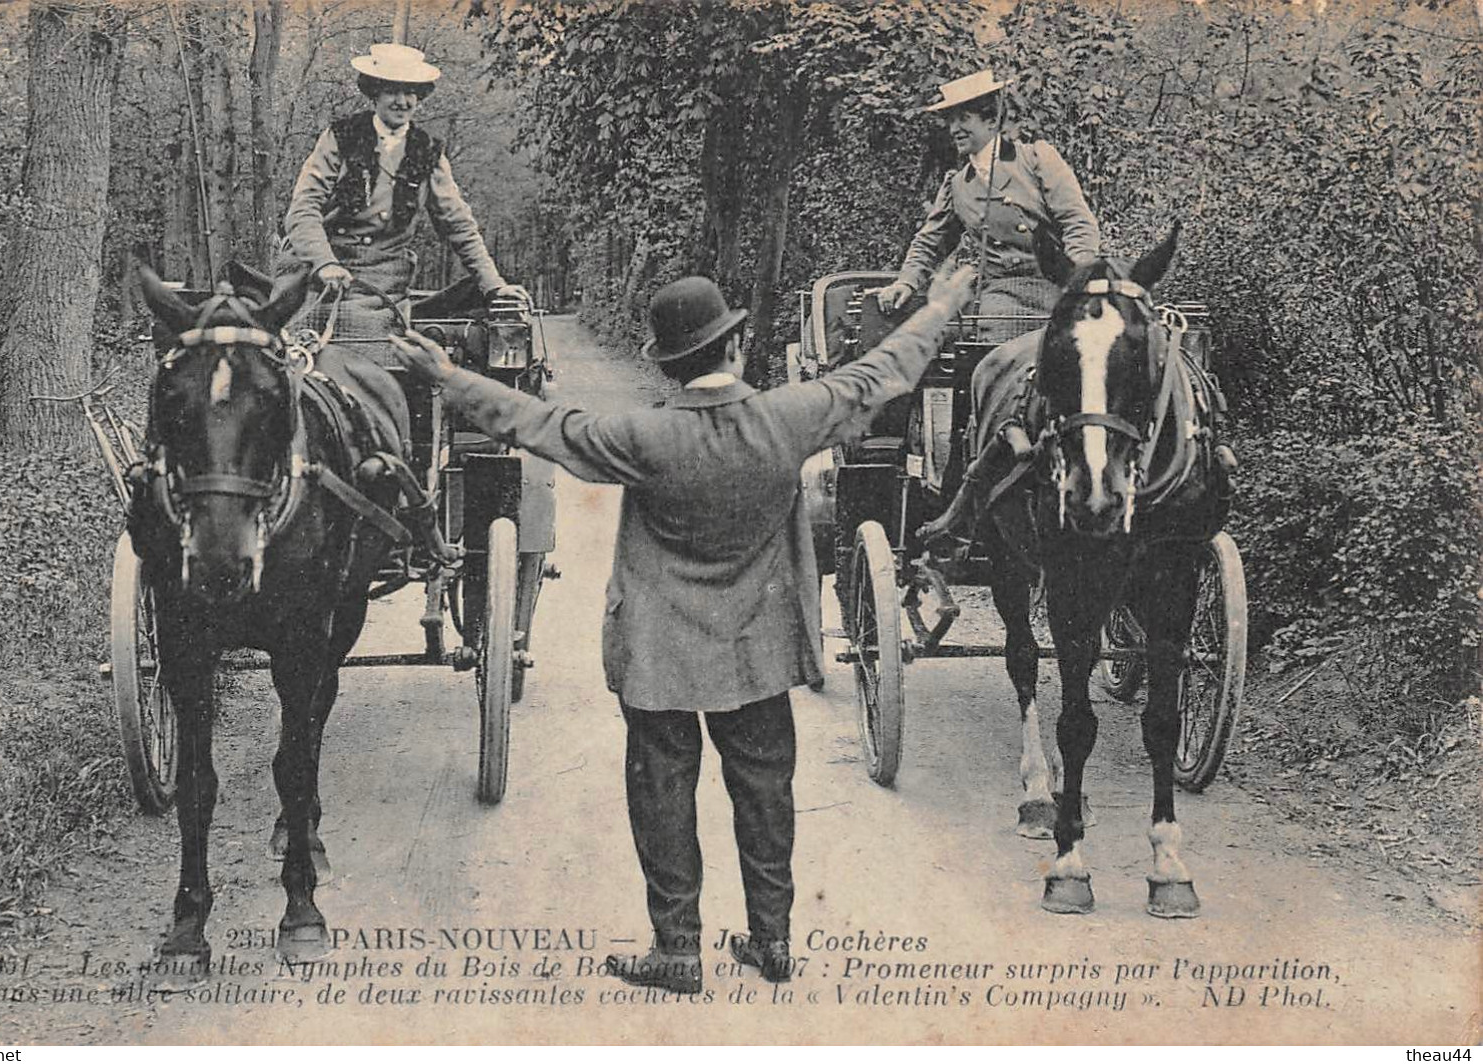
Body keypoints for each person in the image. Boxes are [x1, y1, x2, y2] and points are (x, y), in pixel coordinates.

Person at [386, 273, 972, 994]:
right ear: (735, 341)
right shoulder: (790, 417)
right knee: (764, 788)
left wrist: (445, 374)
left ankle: (677, 949)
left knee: (661, 789)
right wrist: (944, 304)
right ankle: (773, 939)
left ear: (667, 361)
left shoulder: (642, 436)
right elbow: (884, 370)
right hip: (757, 647)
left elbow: (535, 423)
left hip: (657, 651)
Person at [275, 41, 530, 472]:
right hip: (316, 277)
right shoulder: (341, 136)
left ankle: (401, 470)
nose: (403, 100)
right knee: (288, 360)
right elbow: (302, 210)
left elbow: (459, 226)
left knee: (395, 368)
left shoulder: (427, 152)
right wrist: (324, 262)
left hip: (383, 286)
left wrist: (494, 285)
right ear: (374, 92)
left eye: (411, 91)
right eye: (392, 89)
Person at [874, 68, 1103, 546]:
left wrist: (1078, 276)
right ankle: (980, 477)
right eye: (951, 121)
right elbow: (929, 240)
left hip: (1054, 288)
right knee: (987, 368)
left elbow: (1078, 222)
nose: (956, 129)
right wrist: (905, 281)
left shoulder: (1038, 160)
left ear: (991, 119)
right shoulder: (957, 181)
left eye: (966, 119)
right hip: (998, 297)